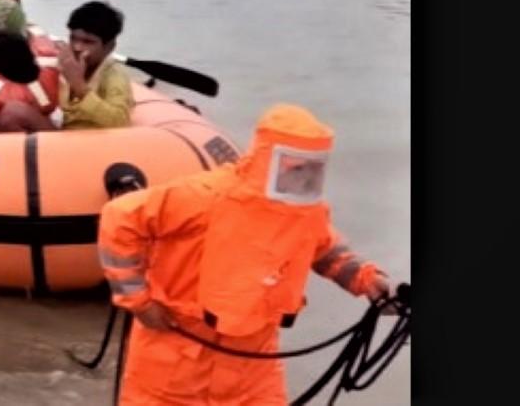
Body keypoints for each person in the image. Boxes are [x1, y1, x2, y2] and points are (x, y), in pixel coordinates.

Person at [97, 104, 396, 404]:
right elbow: (119, 218)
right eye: (296, 167)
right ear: (270, 158)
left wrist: (367, 281)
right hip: (176, 355)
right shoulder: (204, 197)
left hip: (253, 365)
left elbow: (325, 250)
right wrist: (139, 302)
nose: (305, 176)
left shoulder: (304, 212)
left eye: (312, 167)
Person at [58, 1, 134, 130]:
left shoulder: (115, 75)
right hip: (57, 133)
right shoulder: (64, 63)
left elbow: (119, 121)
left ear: (109, 47)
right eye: (73, 38)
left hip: (89, 139)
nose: (77, 47)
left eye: (88, 42)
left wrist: (79, 87)